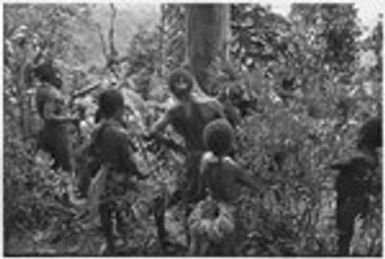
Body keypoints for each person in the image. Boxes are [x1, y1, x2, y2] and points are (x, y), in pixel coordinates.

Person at [147, 68, 228, 247]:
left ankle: (192, 243)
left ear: (172, 90)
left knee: (191, 200)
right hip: (216, 158)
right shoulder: (213, 104)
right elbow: (225, 130)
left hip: (193, 160)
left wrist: (174, 146)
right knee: (218, 199)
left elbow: (153, 131)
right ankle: (216, 242)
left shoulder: (175, 110)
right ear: (193, 84)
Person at [85, 89, 146, 254]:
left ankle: (110, 243)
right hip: (119, 179)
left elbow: (91, 154)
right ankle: (129, 240)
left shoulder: (96, 129)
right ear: (120, 109)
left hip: (103, 175)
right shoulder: (120, 134)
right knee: (153, 195)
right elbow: (129, 162)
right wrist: (141, 174)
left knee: (105, 209)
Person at [188, 118, 261, 255]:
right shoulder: (230, 166)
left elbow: (200, 188)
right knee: (229, 248)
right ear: (229, 144)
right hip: (229, 210)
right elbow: (253, 185)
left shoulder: (204, 160)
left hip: (211, 204)